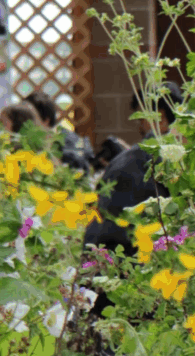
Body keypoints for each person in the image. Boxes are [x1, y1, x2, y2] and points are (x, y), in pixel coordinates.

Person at [83, 82, 182, 258]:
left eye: (141, 119)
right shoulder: (184, 162)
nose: (139, 127)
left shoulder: (131, 161)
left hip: (119, 261)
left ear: (160, 117)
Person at [25, 90, 93, 172]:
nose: (24, 124)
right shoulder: (28, 141)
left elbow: (76, 174)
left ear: (46, 121)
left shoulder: (70, 147)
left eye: (28, 119)